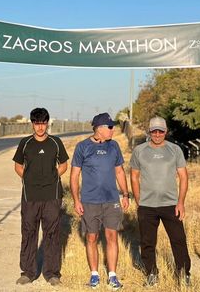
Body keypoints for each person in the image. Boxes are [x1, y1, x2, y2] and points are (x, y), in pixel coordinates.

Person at [70, 113, 129, 290]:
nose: (113, 130)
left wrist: (125, 194)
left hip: (111, 200)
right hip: (89, 201)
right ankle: (94, 274)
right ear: (99, 129)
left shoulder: (114, 146)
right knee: (92, 237)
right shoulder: (82, 147)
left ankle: (112, 276)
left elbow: (119, 172)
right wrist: (76, 200)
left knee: (112, 236)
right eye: (110, 127)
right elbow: (74, 175)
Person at [130, 116, 191, 287]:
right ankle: (151, 273)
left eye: (161, 131)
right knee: (147, 242)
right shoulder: (140, 150)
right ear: (149, 132)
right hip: (147, 205)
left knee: (178, 240)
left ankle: (184, 274)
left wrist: (181, 202)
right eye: (154, 131)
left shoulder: (175, 150)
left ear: (166, 132)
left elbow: (183, 177)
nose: (157, 134)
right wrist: (138, 200)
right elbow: (134, 176)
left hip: (171, 204)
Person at [13, 108, 69, 286]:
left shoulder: (55, 142)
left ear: (47, 123)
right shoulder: (25, 143)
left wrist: (53, 178)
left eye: (43, 123)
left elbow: (64, 164)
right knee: (28, 233)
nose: (40, 127)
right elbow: (18, 166)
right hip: (30, 196)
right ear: (32, 124)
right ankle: (28, 272)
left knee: (52, 234)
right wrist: (29, 180)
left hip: (52, 196)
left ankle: (52, 273)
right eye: (37, 123)